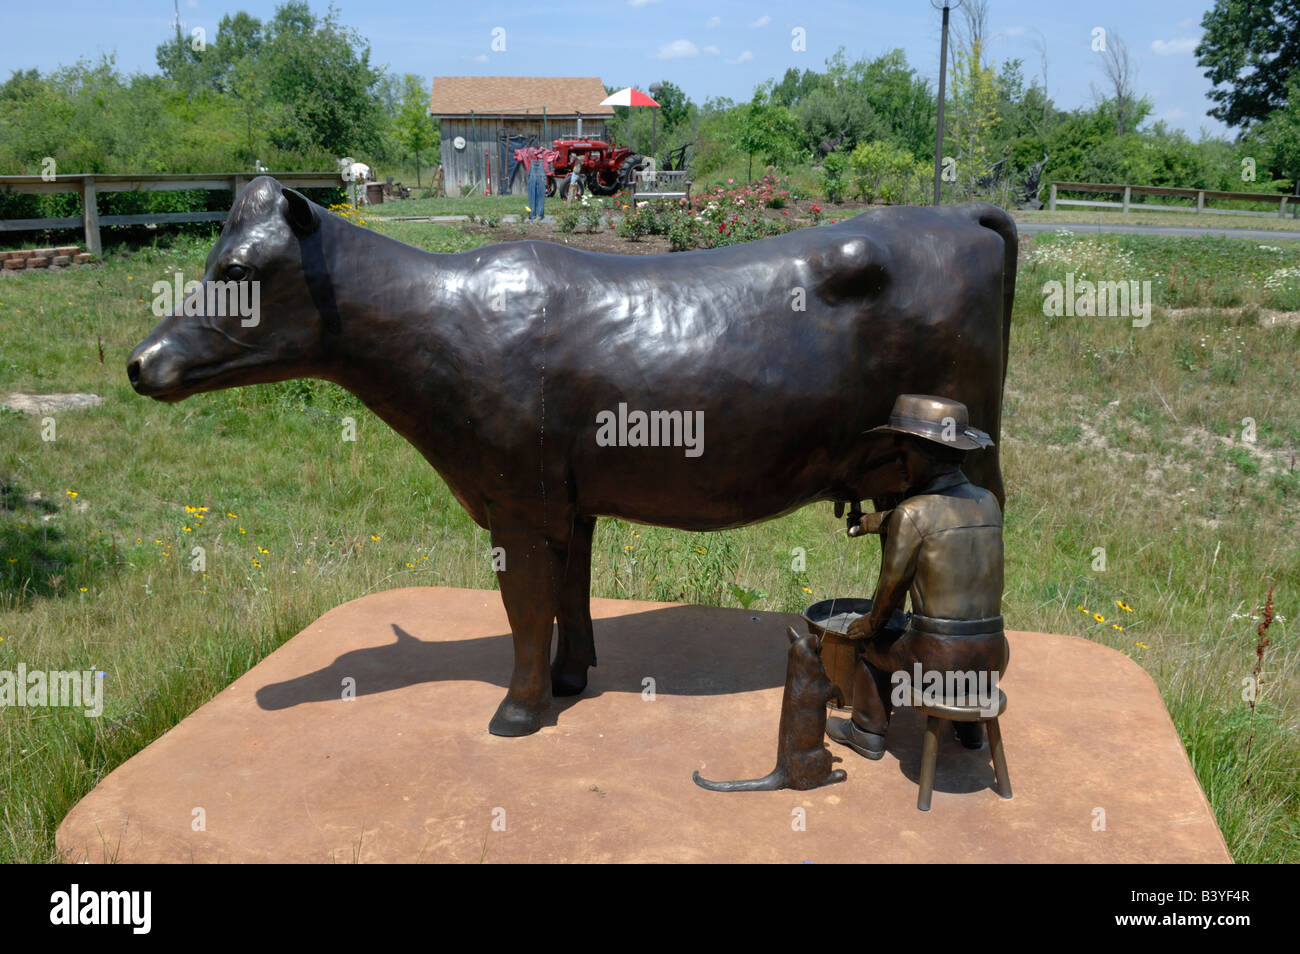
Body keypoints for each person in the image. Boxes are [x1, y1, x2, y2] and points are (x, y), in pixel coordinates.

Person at [827, 394, 1008, 760]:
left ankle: (866, 731)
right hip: (992, 658)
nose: (899, 463)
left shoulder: (913, 514)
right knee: (957, 641)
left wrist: (870, 623)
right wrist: (871, 523)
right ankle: (969, 730)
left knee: (872, 645)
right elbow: (937, 521)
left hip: (936, 661)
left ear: (927, 454)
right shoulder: (988, 501)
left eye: (903, 453)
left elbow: (890, 591)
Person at [514, 142, 561, 221]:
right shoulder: (528, 152)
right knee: (532, 195)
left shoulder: (543, 152)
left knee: (540, 195)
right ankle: (534, 215)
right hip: (533, 175)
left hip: (539, 176)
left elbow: (556, 156)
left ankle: (539, 214)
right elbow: (518, 155)